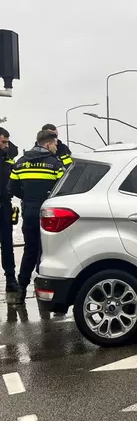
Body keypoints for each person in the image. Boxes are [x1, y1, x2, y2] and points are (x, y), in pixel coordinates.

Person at [8, 130, 66, 305]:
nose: (56, 147)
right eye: (55, 144)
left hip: (30, 212)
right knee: (50, 253)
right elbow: (63, 189)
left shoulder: (20, 164)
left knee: (30, 252)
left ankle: (21, 291)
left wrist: (27, 198)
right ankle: (47, 293)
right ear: (48, 144)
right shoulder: (54, 164)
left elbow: (12, 189)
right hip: (50, 214)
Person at [0, 127, 19, 295]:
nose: (6, 145)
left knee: (7, 245)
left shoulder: (9, 156)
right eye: (3, 142)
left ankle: (11, 279)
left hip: (4, 205)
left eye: (7, 142)